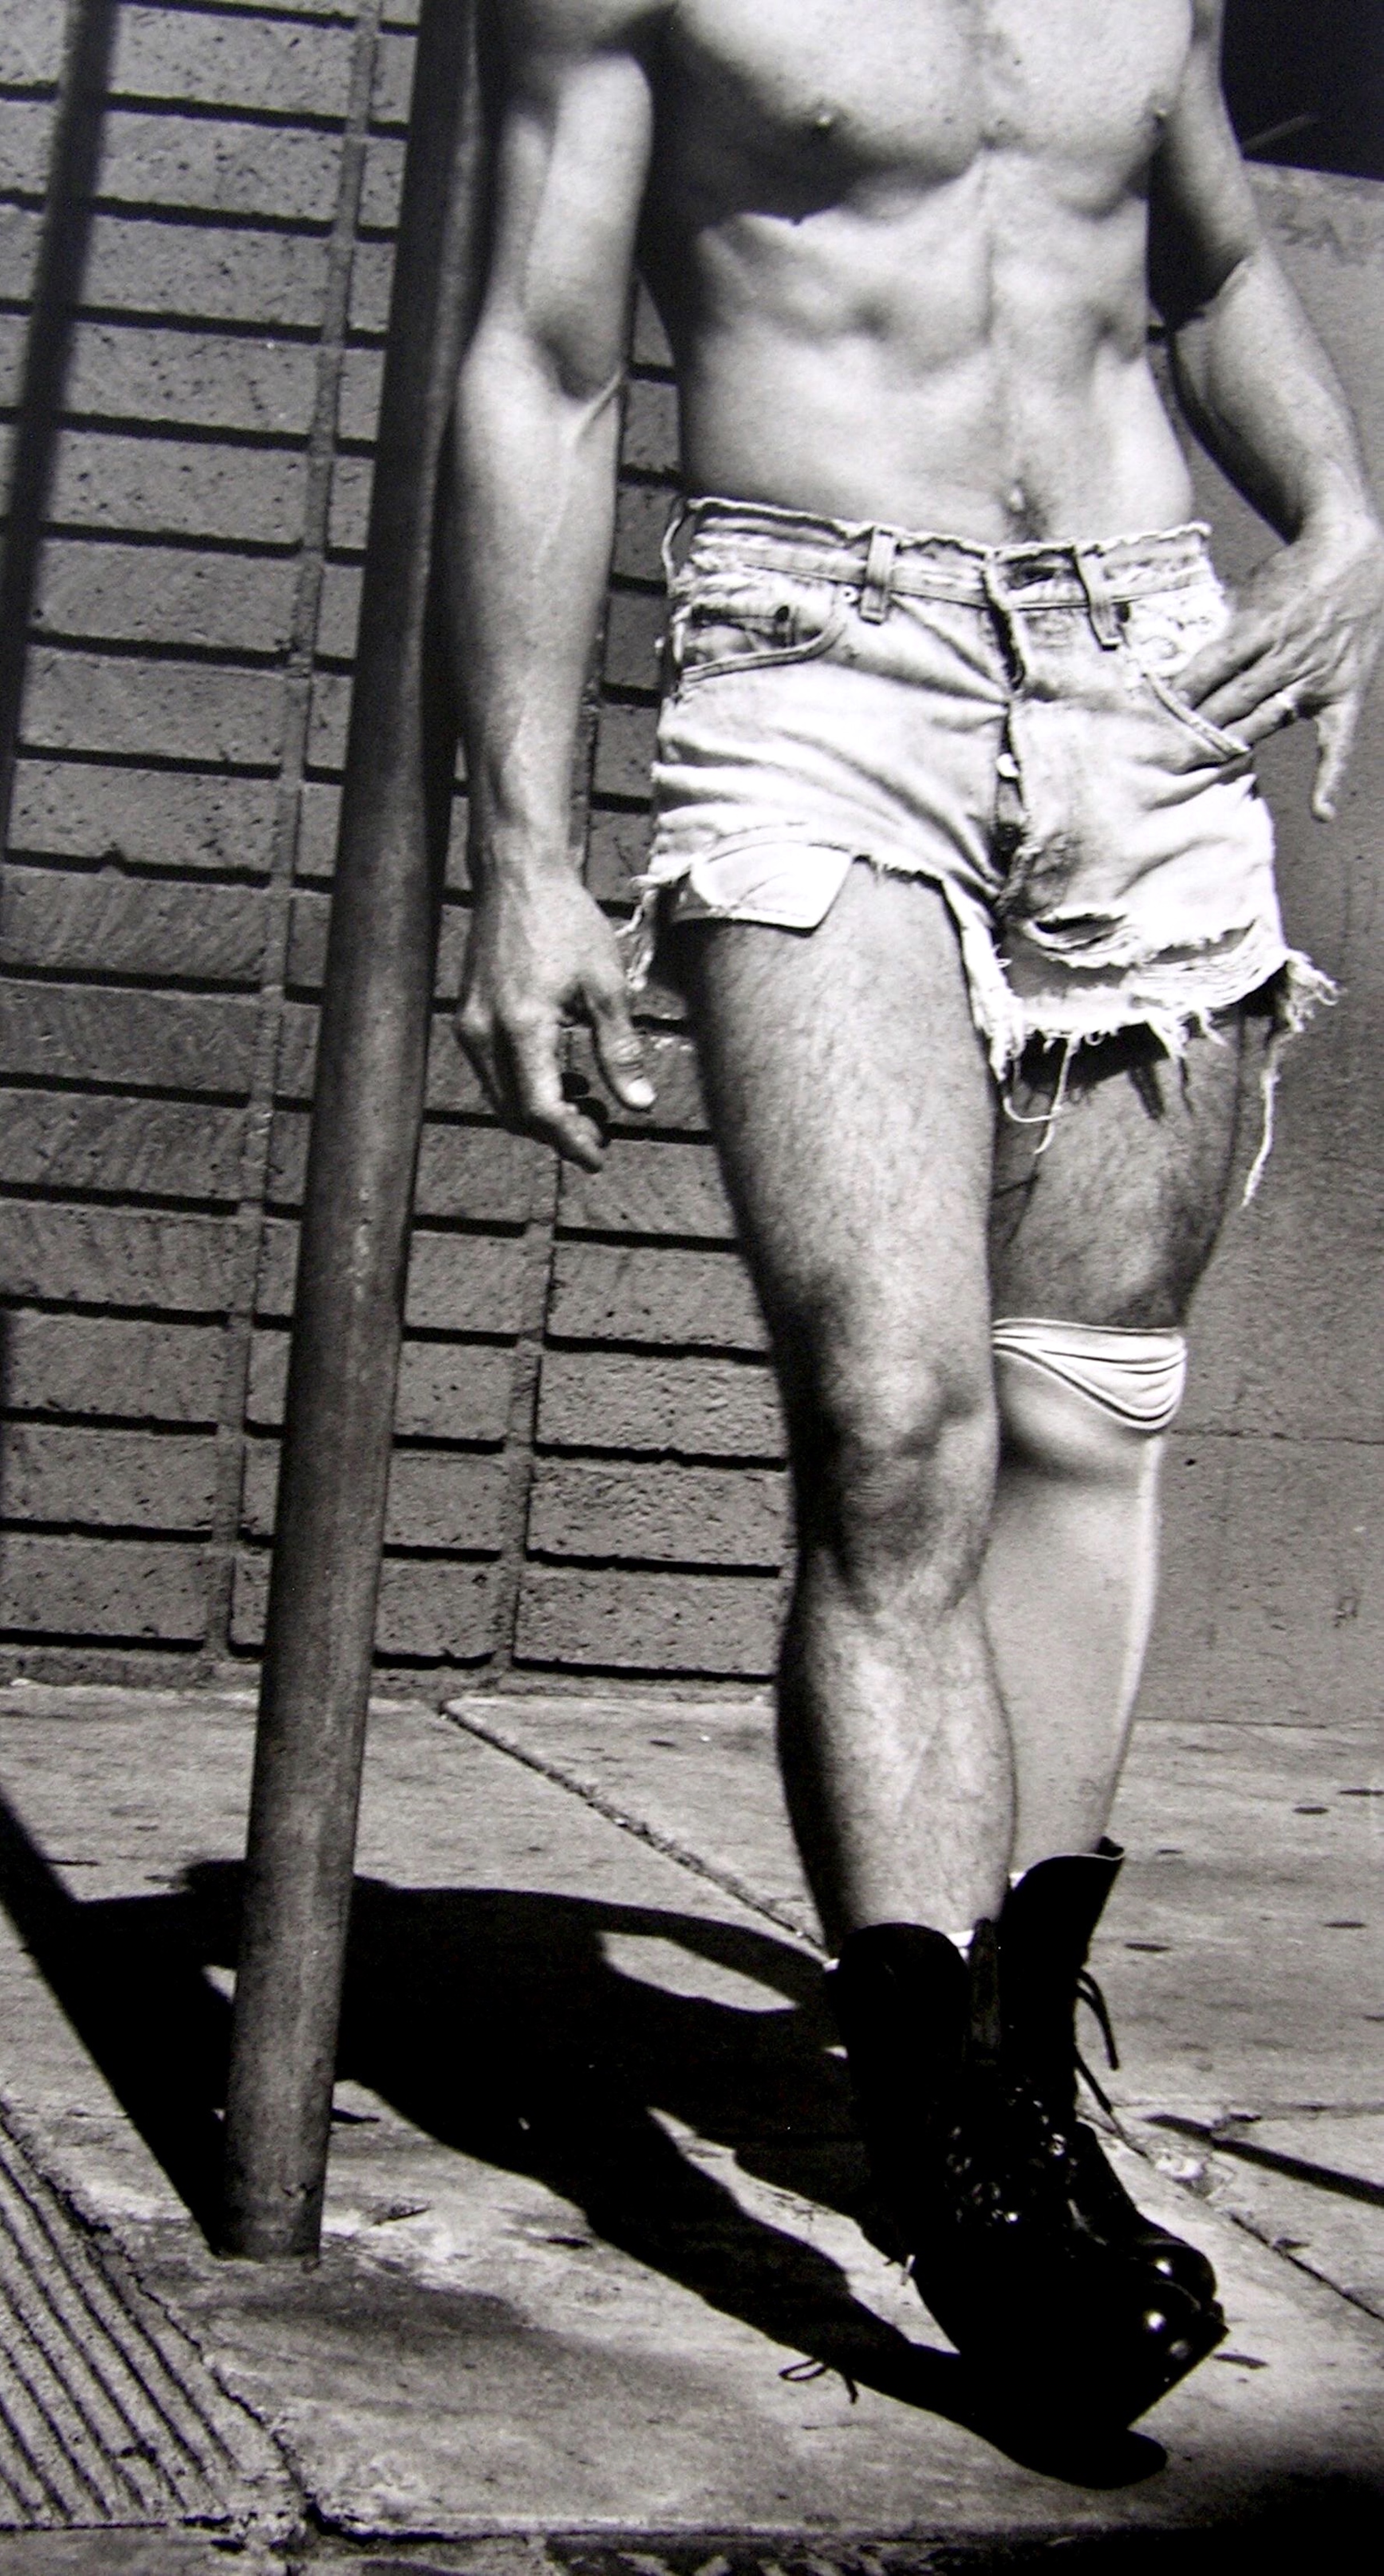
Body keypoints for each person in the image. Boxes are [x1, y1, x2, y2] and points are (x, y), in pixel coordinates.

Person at [445, 0, 1383, 2431]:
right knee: (891, 1426)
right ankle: (951, 2160)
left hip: (1144, 667)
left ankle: (1021, 2067)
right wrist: (524, 856)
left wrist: (1341, 513)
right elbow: (541, 357)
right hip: (814, 667)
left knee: (1087, 1412)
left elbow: (1200, 265)